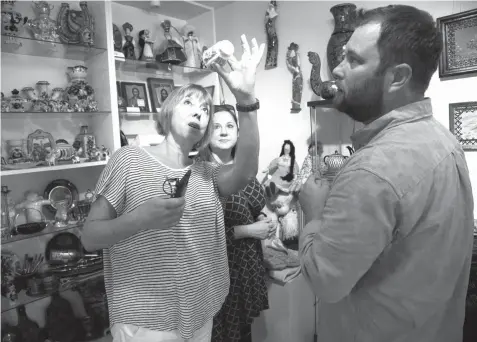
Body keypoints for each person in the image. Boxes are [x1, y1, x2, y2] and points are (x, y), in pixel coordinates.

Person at [297, 5, 474, 342]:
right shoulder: (445, 140)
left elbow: (324, 280)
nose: (336, 69)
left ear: (398, 77)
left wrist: (315, 213)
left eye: (354, 59)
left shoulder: (371, 169)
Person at [82, 35, 265, 342]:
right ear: (166, 112)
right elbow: (90, 236)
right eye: (188, 103)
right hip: (145, 320)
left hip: (200, 313)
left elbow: (246, 170)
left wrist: (246, 101)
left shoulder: (208, 173)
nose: (198, 112)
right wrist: (140, 219)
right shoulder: (128, 161)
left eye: (205, 110)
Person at [198, 105, 275, 342]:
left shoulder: (245, 169)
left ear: (238, 133)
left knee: (243, 334)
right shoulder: (199, 175)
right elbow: (200, 235)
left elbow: (258, 207)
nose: (223, 132)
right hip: (217, 271)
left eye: (230, 126)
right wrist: (249, 230)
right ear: (206, 134)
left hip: (246, 267)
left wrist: (266, 218)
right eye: (216, 127)